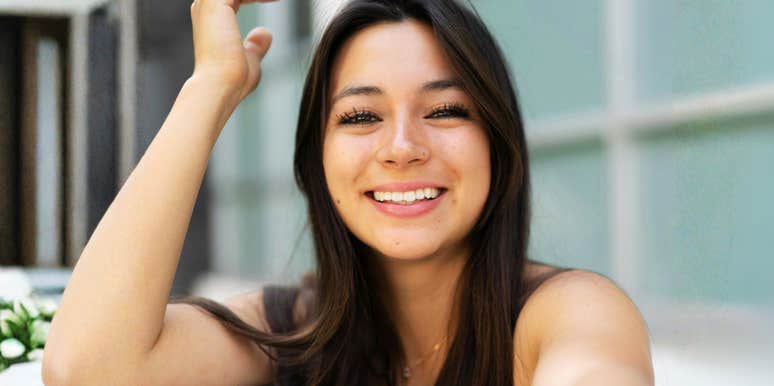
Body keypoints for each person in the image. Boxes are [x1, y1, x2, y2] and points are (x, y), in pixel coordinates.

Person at [42, 0, 654, 385]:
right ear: (317, 161)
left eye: (444, 110)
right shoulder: (291, 332)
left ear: (497, 140)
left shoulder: (568, 312)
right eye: (361, 118)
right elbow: (88, 370)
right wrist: (210, 88)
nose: (402, 147)